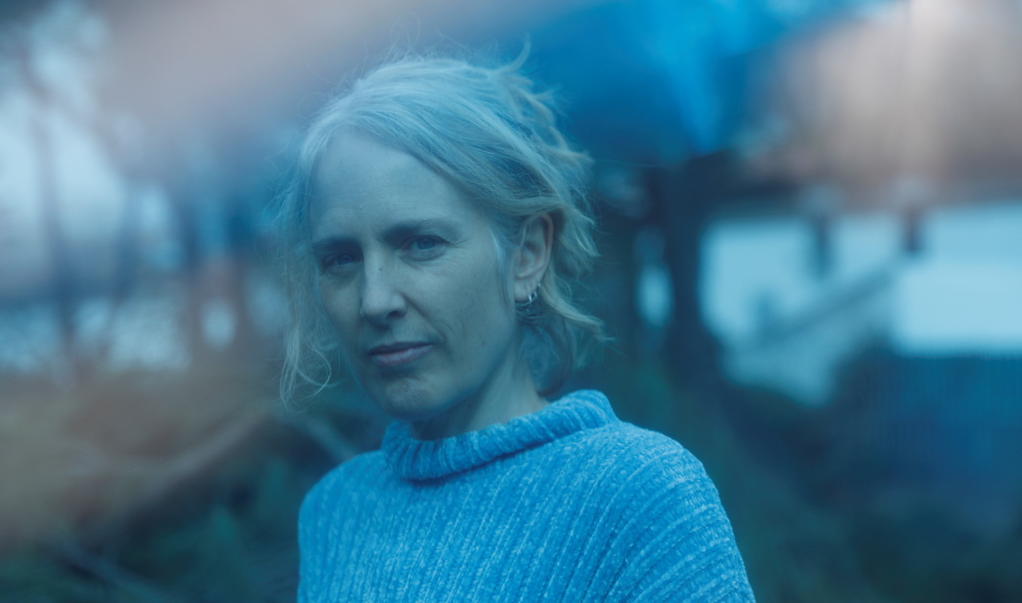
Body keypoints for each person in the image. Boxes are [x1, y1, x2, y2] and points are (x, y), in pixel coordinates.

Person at [276, 56, 755, 602]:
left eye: (421, 244)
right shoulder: (336, 513)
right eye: (341, 258)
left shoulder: (638, 498)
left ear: (526, 254)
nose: (374, 300)